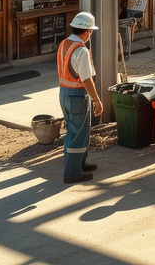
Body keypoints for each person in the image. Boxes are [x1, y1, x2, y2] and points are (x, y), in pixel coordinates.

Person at [57, 11, 104, 183]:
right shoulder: (81, 51)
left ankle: (79, 165)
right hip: (77, 96)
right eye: (91, 31)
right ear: (86, 32)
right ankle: (72, 173)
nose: (90, 35)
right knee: (78, 135)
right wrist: (97, 100)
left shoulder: (64, 44)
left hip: (64, 93)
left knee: (76, 132)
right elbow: (86, 80)